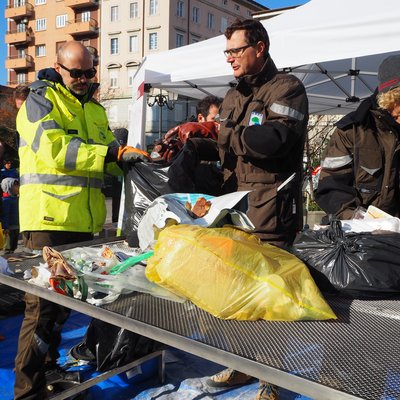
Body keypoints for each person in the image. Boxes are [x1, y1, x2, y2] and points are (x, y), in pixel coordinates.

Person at [13, 40, 144, 399]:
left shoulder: (95, 111)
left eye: (90, 71)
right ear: (58, 68)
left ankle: (48, 366)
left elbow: (107, 158)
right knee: (41, 309)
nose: (85, 78)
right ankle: (28, 391)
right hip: (48, 221)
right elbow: (57, 151)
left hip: (82, 223)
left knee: (63, 307)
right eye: (78, 73)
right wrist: (112, 153)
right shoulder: (42, 101)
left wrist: (140, 158)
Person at [205, 19, 309, 400]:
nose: (229, 58)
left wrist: (224, 134)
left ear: (259, 48)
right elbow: (224, 149)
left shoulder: (288, 88)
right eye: (227, 51)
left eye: (236, 50)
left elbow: (274, 139)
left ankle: (272, 380)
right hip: (235, 211)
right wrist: (199, 142)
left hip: (271, 213)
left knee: (269, 299)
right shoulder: (234, 95)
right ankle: (242, 364)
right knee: (239, 295)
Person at [315, 54, 400, 219]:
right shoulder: (352, 130)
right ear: (389, 99)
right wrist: (356, 218)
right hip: (357, 234)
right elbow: (331, 186)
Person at [0, 177, 19, 254]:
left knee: (14, 246)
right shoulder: (6, 200)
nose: (17, 188)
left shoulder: (16, 198)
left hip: (16, 226)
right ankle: (6, 262)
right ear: (8, 187)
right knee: (8, 248)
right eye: (15, 186)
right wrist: (5, 227)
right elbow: (5, 215)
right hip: (9, 229)